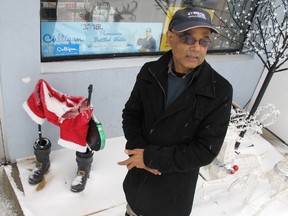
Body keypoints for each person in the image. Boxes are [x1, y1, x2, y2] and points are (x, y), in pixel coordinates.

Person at [118, 7, 233, 216]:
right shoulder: (149, 72)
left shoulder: (219, 90)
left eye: (204, 41)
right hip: (138, 184)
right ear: (170, 38)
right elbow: (132, 114)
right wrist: (140, 153)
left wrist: (152, 158)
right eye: (188, 39)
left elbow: (205, 150)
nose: (196, 48)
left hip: (172, 196)